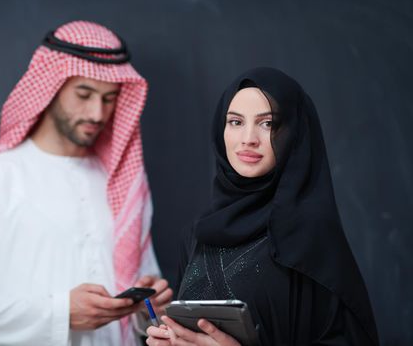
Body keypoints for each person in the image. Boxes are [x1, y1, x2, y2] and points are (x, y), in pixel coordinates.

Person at [0, 20, 172, 346]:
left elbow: (144, 295)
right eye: (84, 94)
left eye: (109, 98)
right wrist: (61, 312)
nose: (97, 113)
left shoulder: (122, 181)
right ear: (51, 86)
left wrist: (150, 308)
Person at [146, 67, 379, 346]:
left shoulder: (310, 235)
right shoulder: (197, 236)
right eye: (235, 122)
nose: (248, 138)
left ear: (294, 134)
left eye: (267, 123)